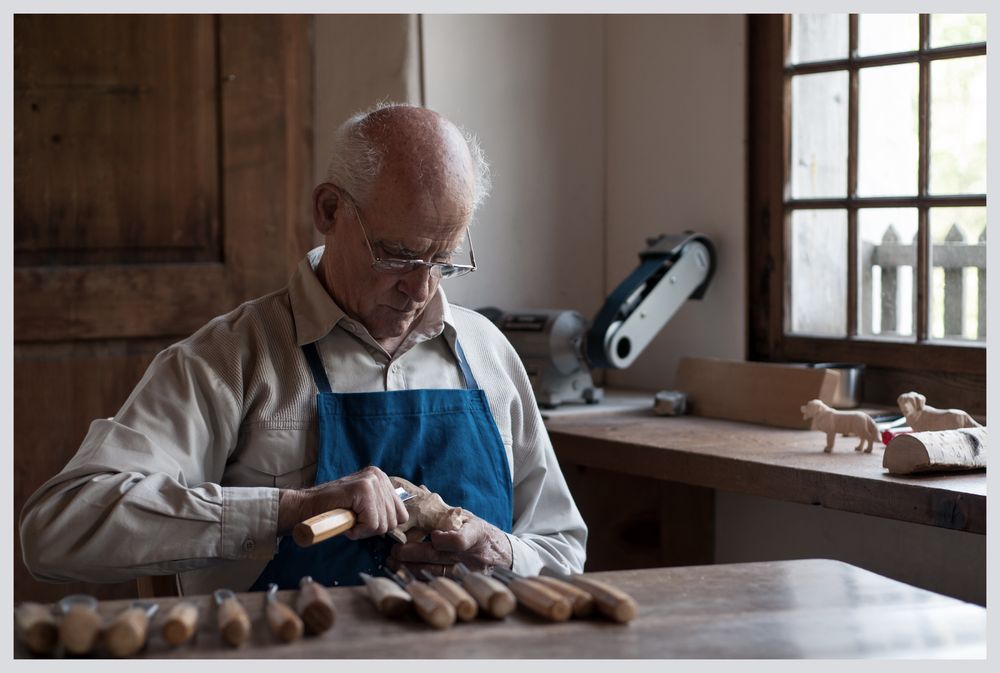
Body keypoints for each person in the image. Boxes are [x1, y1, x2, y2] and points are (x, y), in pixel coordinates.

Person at [19, 103, 587, 595]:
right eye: (398, 254)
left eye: (443, 261)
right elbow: (55, 531)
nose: (421, 290)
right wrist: (289, 510)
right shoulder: (231, 360)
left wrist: (498, 549)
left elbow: (563, 549)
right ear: (330, 211)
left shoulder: (488, 356)